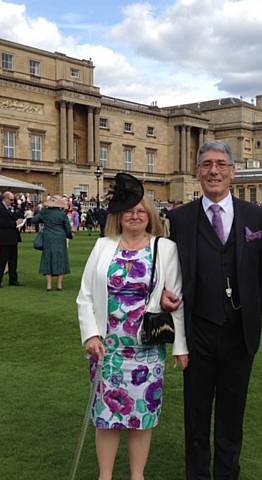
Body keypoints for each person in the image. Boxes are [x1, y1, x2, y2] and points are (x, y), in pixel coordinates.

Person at [162, 140, 262, 479]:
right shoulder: (180, 218)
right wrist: (164, 297)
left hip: (239, 333)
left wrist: (250, 314)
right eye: (207, 164)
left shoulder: (257, 216)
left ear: (233, 172)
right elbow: (170, 269)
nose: (214, 171)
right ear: (197, 172)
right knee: (196, 414)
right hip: (199, 332)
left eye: (221, 164)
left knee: (231, 414)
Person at [76, 173, 187, 480]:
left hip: (146, 352)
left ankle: (137, 475)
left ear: (150, 216)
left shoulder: (165, 249)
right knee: (106, 417)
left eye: (141, 211)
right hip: (107, 350)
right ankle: (106, 475)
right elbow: (85, 295)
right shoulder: (102, 246)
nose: (135, 216)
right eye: (129, 211)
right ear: (119, 216)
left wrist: (180, 348)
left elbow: (176, 300)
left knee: (141, 417)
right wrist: (91, 334)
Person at [32, 196, 72, 291]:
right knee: (61, 259)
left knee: (47, 258)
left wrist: (43, 219)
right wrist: (69, 235)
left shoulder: (45, 212)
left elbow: (33, 220)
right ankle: (59, 285)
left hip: (48, 237)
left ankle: (49, 285)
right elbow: (67, 228)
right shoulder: (62, 214)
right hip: (60, 237)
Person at [0, 191, 23, 288]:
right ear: (5, 199)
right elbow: (2, 223)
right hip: (5, 238)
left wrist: (19, 214)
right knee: (2, 260)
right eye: (10, 200)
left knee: (13, 260)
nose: (12, 201)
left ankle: (13, 279)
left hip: (12, 238)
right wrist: (15, 223)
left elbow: (11, 217)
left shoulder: (8, 208)